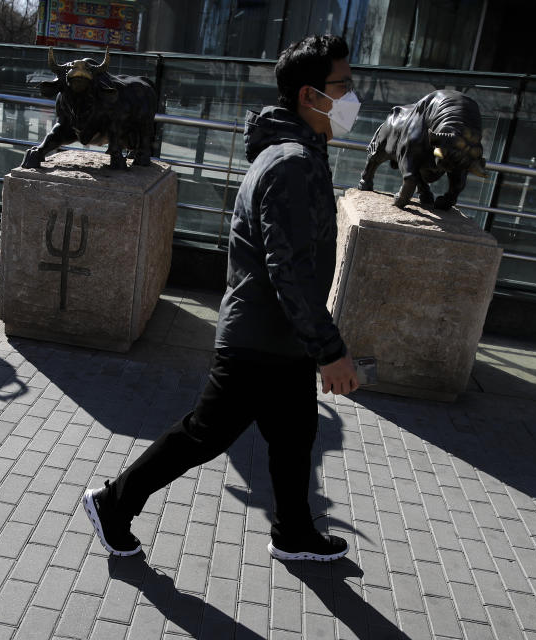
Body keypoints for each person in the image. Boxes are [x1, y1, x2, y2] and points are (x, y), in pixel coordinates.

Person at [83, 34, 361, 562]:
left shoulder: (299, 153)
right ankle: (114, 502)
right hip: (261, 338)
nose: (352, 96)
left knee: (295, 436)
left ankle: (294, 533)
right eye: (342, 85)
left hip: (280, 337)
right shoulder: (291, 163)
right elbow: (290, 270)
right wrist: (330, 350)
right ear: (310, 95)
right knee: (204, 435)